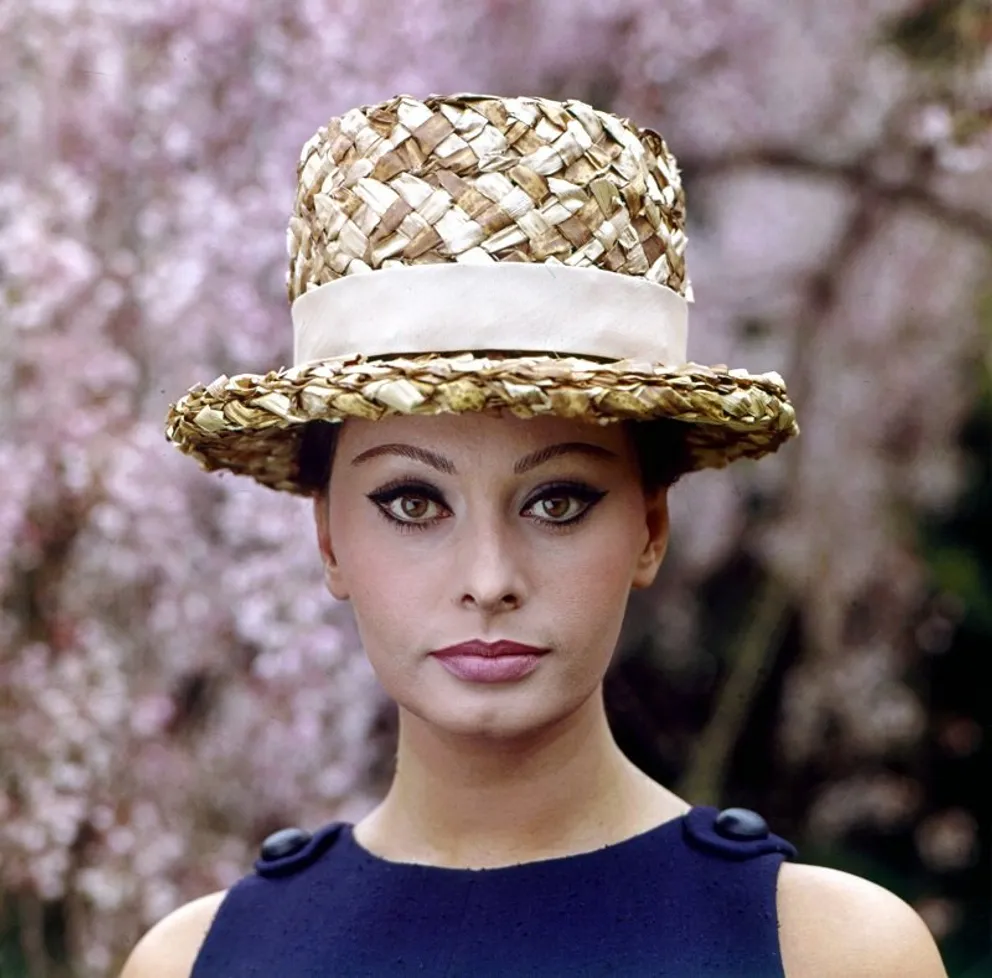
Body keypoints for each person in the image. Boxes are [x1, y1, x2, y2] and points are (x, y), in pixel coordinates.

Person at [122, 93, 947, 976]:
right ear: (327, 538)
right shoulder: (196, 961)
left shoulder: (833, 952)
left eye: (557, 502)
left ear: (650, 525)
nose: (489, 577)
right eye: (411, 502)